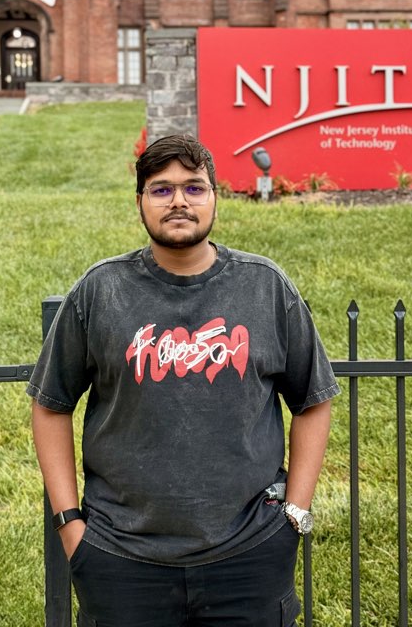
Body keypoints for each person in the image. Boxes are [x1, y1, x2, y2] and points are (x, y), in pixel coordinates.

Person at [28, 134, 340, 627]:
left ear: (215, 197)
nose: (178, 201)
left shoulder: (265, 287)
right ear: (140, 203)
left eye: (194, 188)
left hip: (250, 557)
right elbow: (50, 404)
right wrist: (72, 528)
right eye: (161, 189)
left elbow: (313, 401)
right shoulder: (101, 291)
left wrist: (294, 516)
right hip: (120, 558)